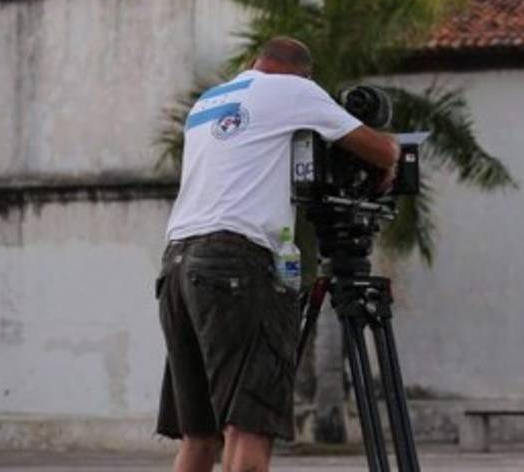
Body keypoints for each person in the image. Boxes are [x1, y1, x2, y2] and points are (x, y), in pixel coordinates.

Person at [155, 37, 401, 472]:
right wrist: (393, 158)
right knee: (249, 426)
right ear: (302, 74)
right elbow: (381, 150)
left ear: (255, 62)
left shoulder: (210, 100)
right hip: (237, 263)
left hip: (177, 265)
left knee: (200, 437)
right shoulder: (294, 91)